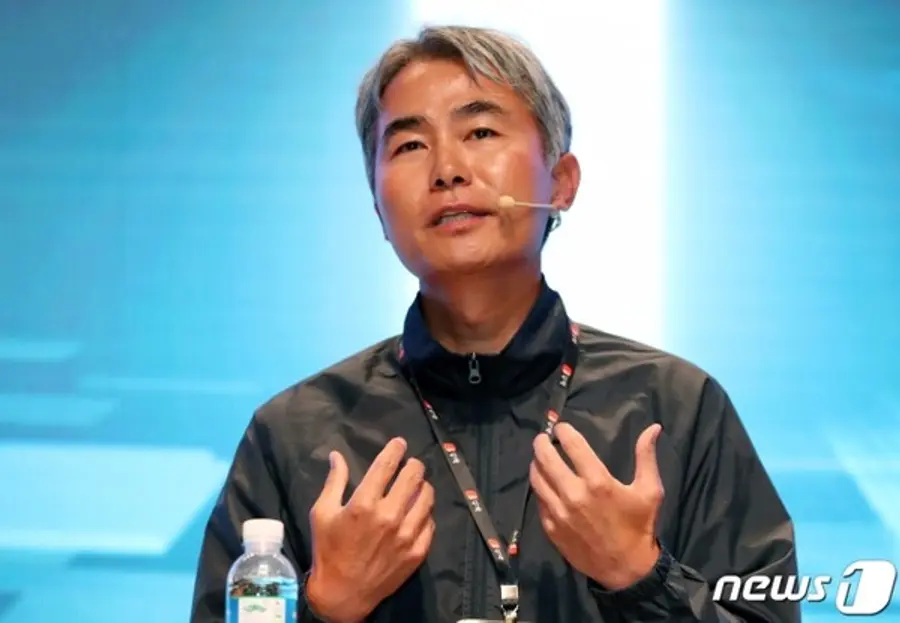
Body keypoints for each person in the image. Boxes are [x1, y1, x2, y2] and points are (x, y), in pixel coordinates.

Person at [190, 25, 800, 623]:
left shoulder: (677, 410)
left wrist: (640, 579)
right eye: (409, 146)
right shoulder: (296, 435)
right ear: (378, 208)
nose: (447, 169)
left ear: (561, 183)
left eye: (480, 132)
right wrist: (328, 608)